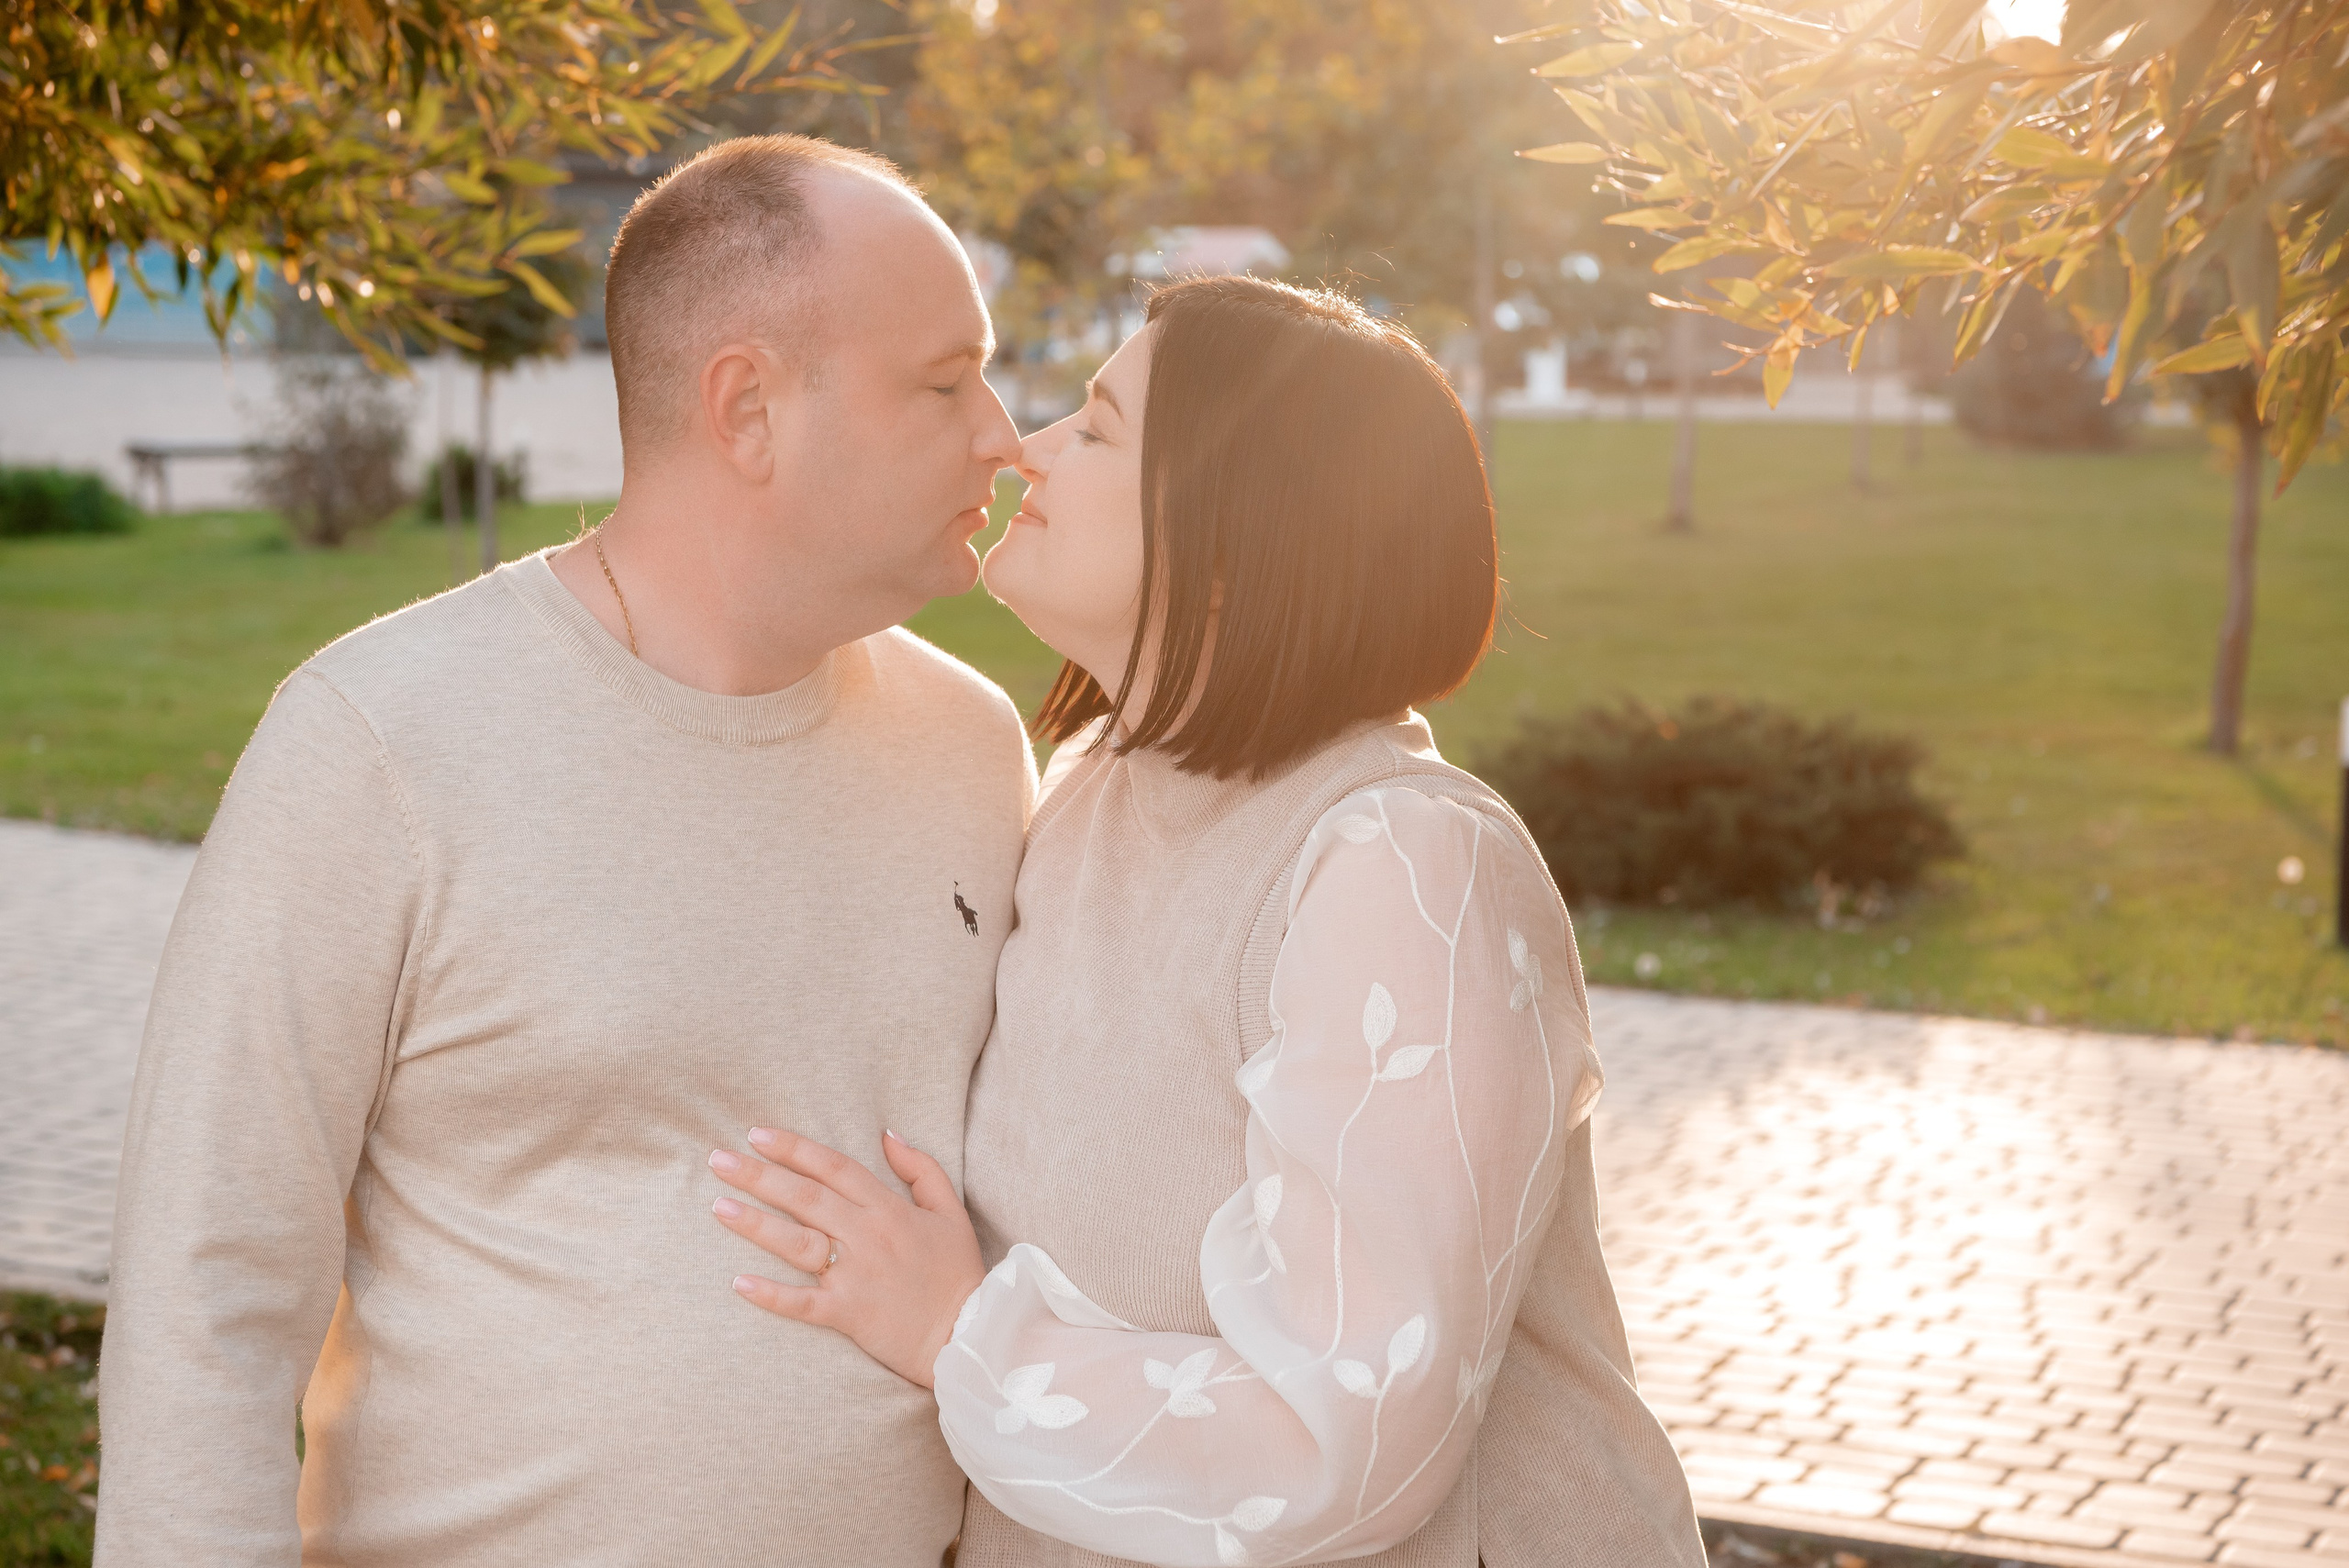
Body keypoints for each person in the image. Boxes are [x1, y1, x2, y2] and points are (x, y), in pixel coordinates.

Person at [95, 136, 1033, 1566]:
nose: (1002, 435)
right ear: (748, 406)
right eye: (943, 381)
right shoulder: (379, 744)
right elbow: (203, 1301)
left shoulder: (973, 749)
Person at [708, 276, 1706, 1565]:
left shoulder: (1401, 864)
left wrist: (957, 1331)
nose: (1026, 444)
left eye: (1102, 428)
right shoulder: (1081, 799)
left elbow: (1339, 1442)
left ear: (1239, 544)